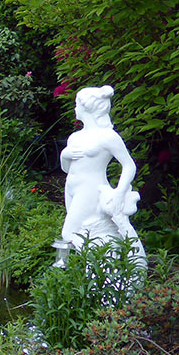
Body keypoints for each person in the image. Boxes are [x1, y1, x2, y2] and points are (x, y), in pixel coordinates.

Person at [58, 85, 143, 257]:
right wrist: (65, 155)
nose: (75, 108)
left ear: (87, 107)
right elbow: (66, 168)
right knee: (88, 230)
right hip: (72, 188)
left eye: (77, 104)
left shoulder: (107, 136)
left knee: (69, 233)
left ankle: (98, 261)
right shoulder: (75, 137)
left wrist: (119, 192)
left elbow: (129, 165)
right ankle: (102, 263)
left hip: (90, 189)